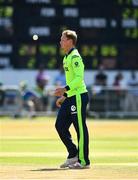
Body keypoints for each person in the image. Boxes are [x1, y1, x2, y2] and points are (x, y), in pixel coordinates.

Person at [54, 30, 90, 169]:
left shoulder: (75, 57)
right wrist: (64, 96)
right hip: (70, 97)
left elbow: (79, 78)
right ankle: (73, 154)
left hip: (79, 97)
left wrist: (64, 89)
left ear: (70, 41)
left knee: (80, 128)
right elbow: (72, 80)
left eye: (63, 39)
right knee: (60, 125)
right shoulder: (66, 58)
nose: (60, 41)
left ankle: (84, 161)